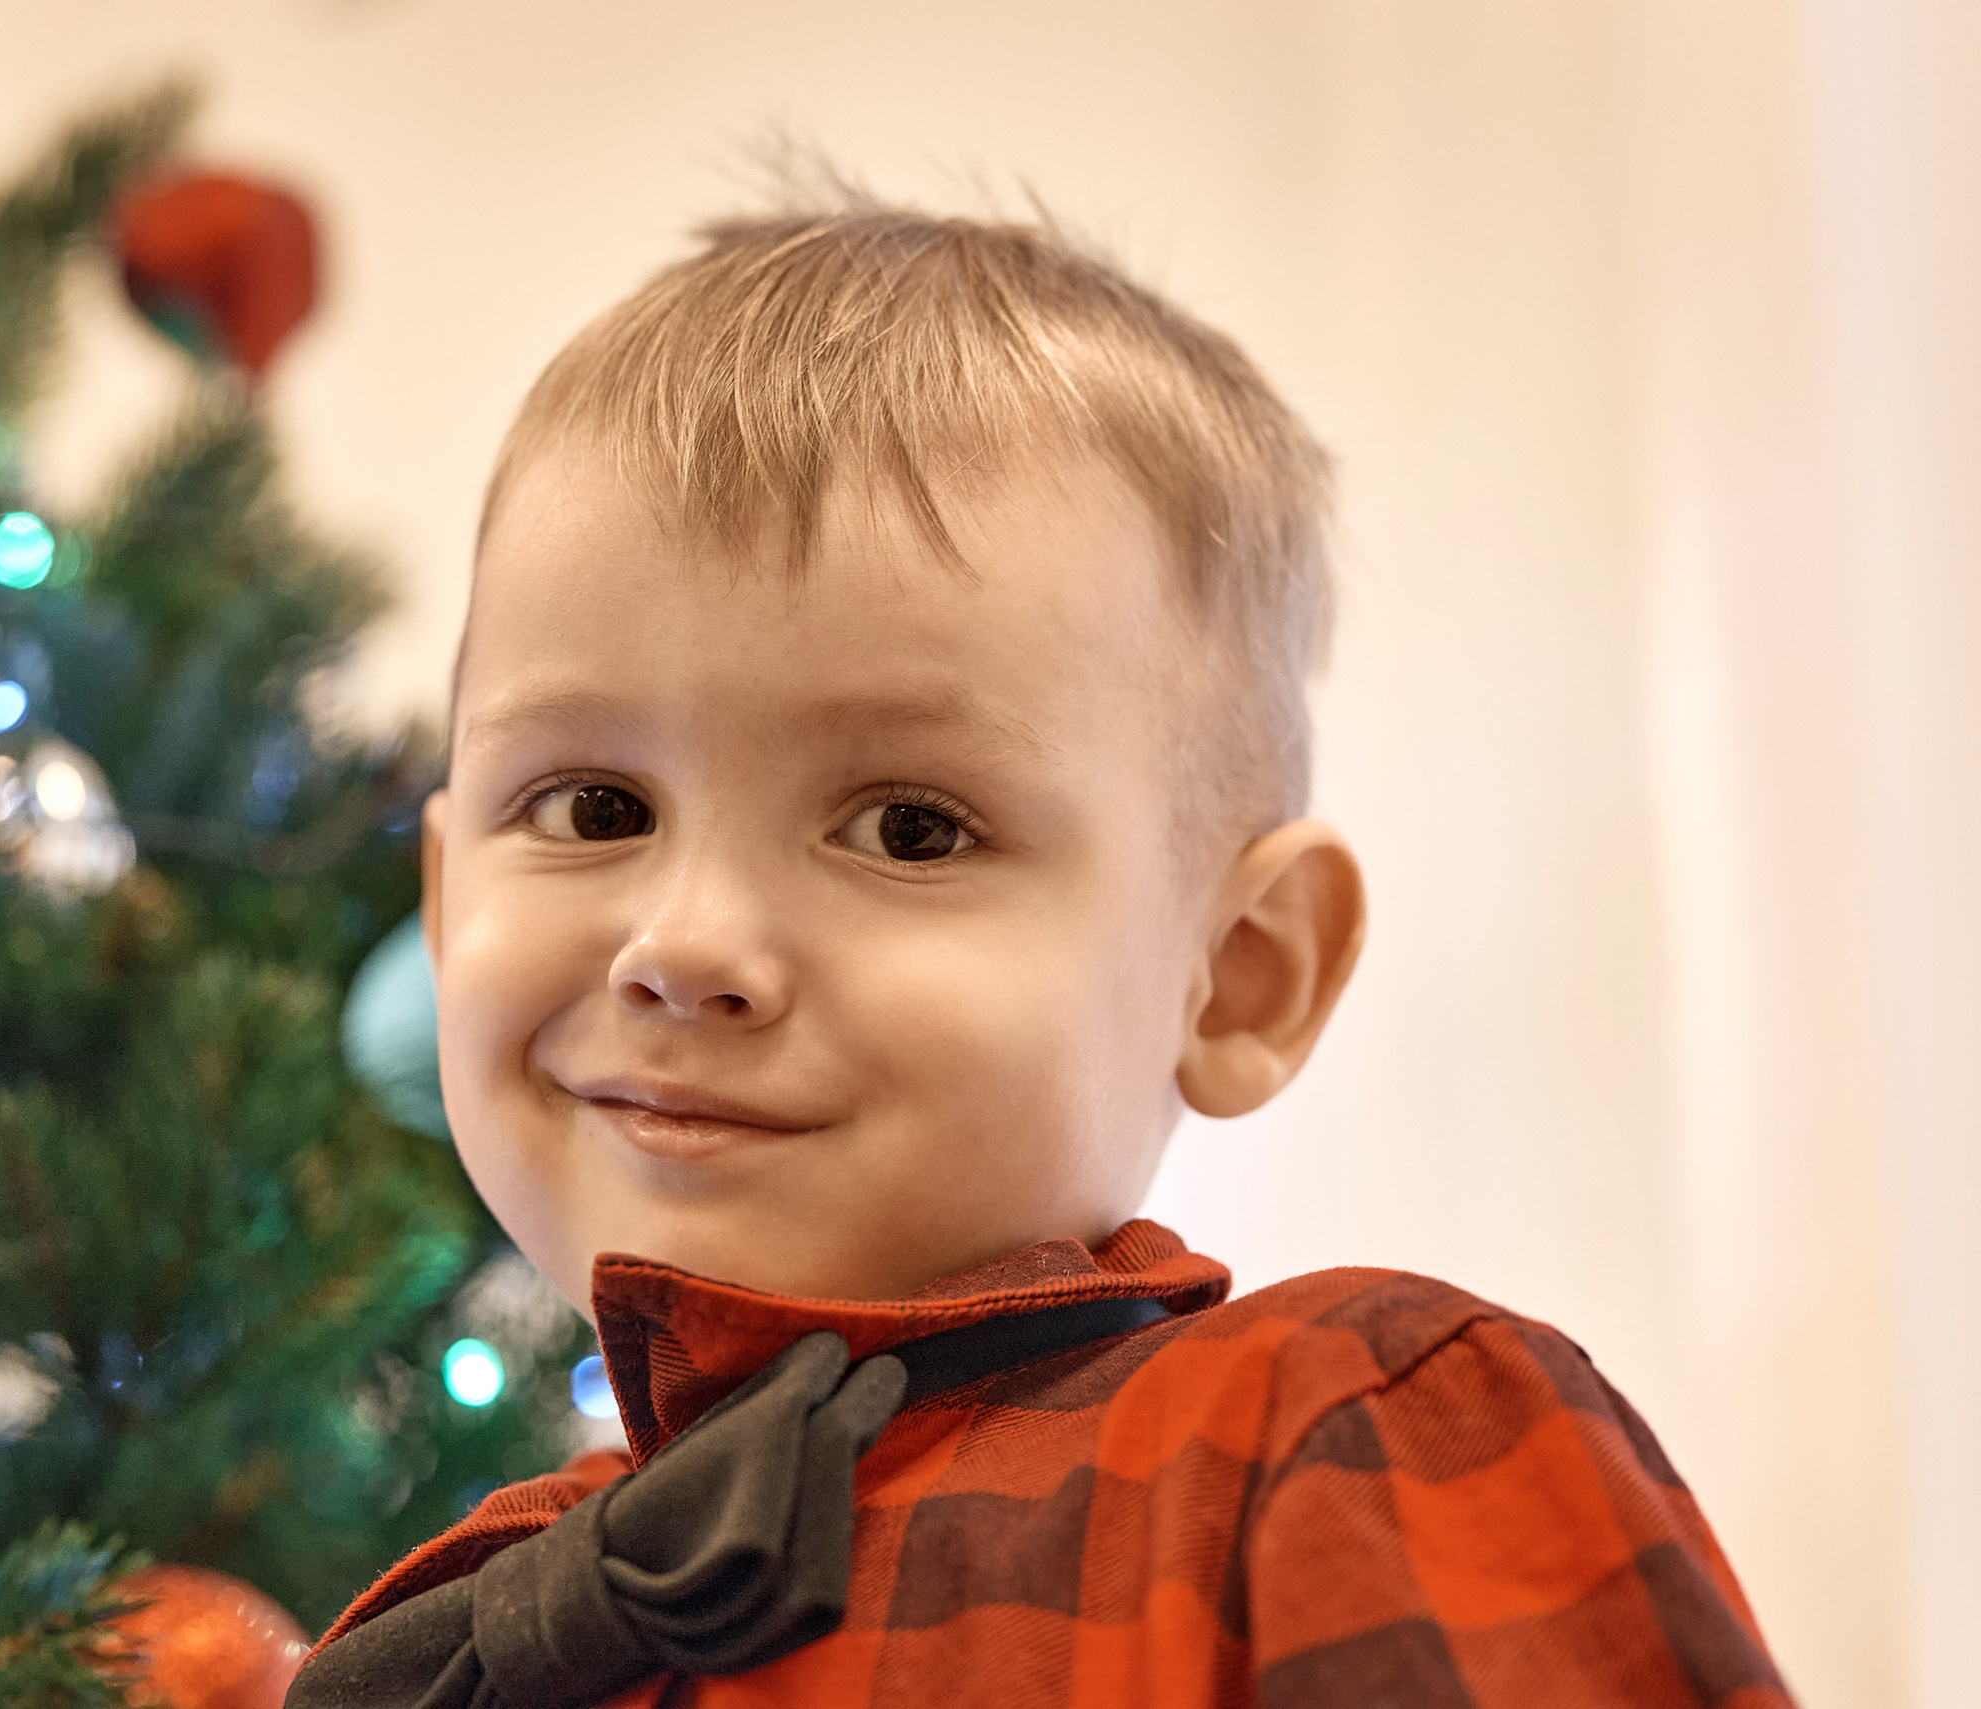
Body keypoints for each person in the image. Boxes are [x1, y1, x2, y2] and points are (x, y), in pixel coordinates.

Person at [291, 194, 1790, 1708]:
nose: (683, 947)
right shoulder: (471, 1630)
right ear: (440, 894)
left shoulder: (1339, 1429)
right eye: (593, 804)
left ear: (1244, 969)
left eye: (910, 829)